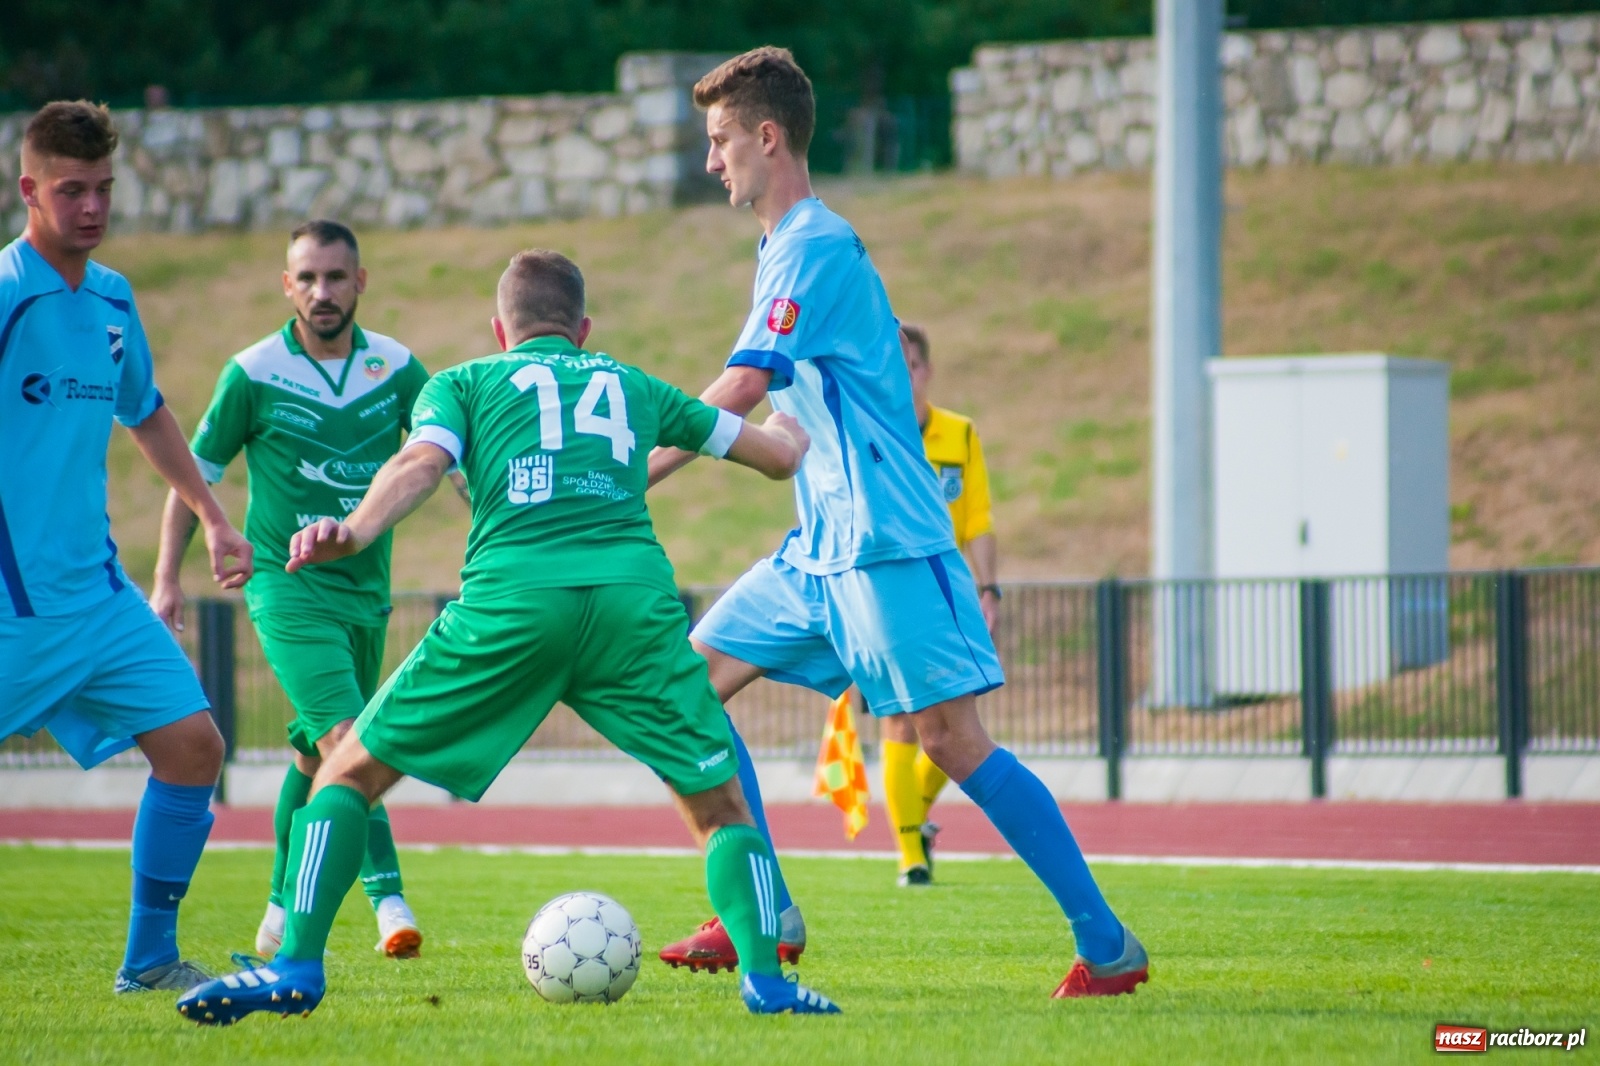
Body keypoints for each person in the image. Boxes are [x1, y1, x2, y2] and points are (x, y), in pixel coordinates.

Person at [176, 249, 841, 1025]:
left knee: (348, 775)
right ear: (584, 330)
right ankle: (765, 982)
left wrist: (353, 530)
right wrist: (792, 418)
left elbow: (421, 464)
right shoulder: (632, 384)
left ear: (501, 331)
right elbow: (774, 459)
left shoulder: (462, 383)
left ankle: (295, 966)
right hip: (632, 610)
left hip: (512, 605)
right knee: (722, 806)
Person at [648, 48, 1148, 998]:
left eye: (719, 141)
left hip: (885, 543)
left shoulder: (813, 245)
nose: (712, 162)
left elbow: (747, 386)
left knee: (950, 738)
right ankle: (765, 912)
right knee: (683, 689)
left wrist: (634, 474)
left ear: (766, 136)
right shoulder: (782, 251)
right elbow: (790, 415)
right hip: (818, 549)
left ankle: (1108, 945)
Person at [0, 100, 254, 993]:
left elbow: (143, 409)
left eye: (105, 189)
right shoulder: (3, 295)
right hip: (12, 608)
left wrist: (213, 515)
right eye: (73, 191)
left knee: (193, 747)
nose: (94, 208)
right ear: (28, 190)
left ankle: (149, 961)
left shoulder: (111, 298)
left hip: (100, 599)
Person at [151, 219, 451, 961]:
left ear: (361, 283)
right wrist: (165, 580)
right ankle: (390, 902)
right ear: (287, 286)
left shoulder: (399, 369)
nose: (322, 292)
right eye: (307, 278)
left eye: (336, 277)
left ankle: (280, 911)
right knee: (354, 745)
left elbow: (450, 459)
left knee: (316, 762)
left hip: (366, 595)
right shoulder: (252, 372)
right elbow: (196, 476)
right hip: (286, 592)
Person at [874, 322, 1002, 886]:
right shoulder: (872, 431)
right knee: (899, 719)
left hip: (946, 592)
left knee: (954, 721)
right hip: (886, 592)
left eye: (912, 365)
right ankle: (911, 858)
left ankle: (915, 816)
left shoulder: (960, 433)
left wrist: (989, 586)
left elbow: (977, 518)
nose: (904, 376)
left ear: (927, 370)